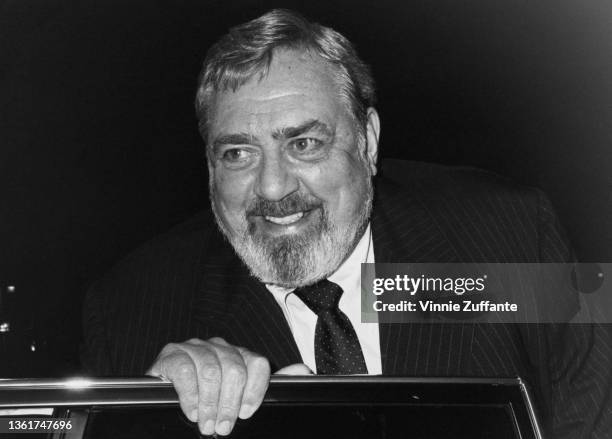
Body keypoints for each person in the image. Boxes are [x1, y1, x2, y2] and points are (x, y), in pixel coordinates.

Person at [82, 9, 612, 438]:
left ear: (368, 141)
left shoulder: (508, 236)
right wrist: (149, 418)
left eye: (304, 143)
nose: (272, 188)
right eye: (238, 153)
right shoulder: (133, 311)